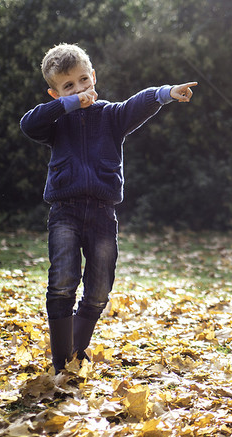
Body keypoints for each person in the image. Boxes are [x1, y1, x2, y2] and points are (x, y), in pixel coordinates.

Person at [20, 43, 197, 373]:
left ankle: (75, 349)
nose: (80, 89)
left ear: (94, 77)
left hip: (102, 213)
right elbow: (29, 124)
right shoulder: (56, 122)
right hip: (65, 211)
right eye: (68, 86)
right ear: (56, 93)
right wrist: (69, 106)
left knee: (99, 287)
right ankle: (61, 363)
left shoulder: (111, 116)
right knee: (63, 281)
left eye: (83, 81)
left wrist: (167, 93)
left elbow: (138, 103)